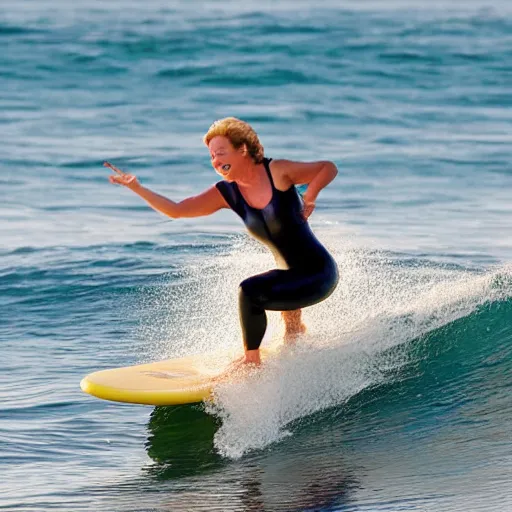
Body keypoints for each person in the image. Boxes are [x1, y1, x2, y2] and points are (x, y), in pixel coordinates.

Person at [106, 117, 339, 368]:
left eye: (220, 152)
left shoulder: (278, 172)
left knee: (250, 292)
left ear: (243, 150)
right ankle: (295, 334)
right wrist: (137, 188)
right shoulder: (227, 192)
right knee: (276, 278)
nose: (216, 161)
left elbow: (327, 168)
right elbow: (177, 210)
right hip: (292, 281)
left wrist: (311, 196)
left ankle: (251, 363)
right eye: (211, 156)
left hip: (319, 274)